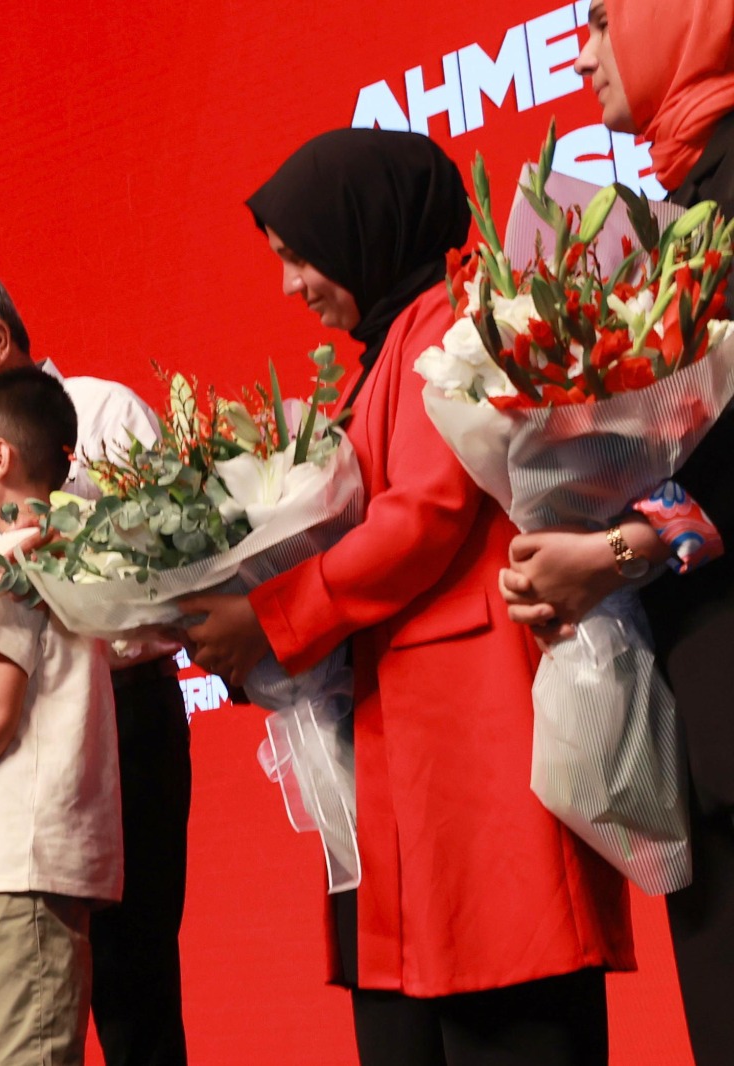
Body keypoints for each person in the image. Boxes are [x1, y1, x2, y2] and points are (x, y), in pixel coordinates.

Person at [173, 130, 634, 1065]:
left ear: (362, 228)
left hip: (481, 740)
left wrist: (268, 617)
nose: (292, 286)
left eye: (300, 257)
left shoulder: (451, 325)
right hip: (421, 755)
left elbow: (422, 518)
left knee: (515, 1011)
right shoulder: (390, 350)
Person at [500, 4, 733, 1059]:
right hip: (703, 689)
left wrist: (620, 550)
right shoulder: (677, 206)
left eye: (600, 21)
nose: (579, 48)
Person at [0, 266, 189, 1066]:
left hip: (114, 727)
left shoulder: (104, 412)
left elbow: (163, 576)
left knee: (134, 994)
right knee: (21, 1018)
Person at [0, 369, 122, 1066]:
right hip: (31, 855)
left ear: (0, 457)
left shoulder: (20, 555)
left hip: (23, 856)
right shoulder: (69, 548)